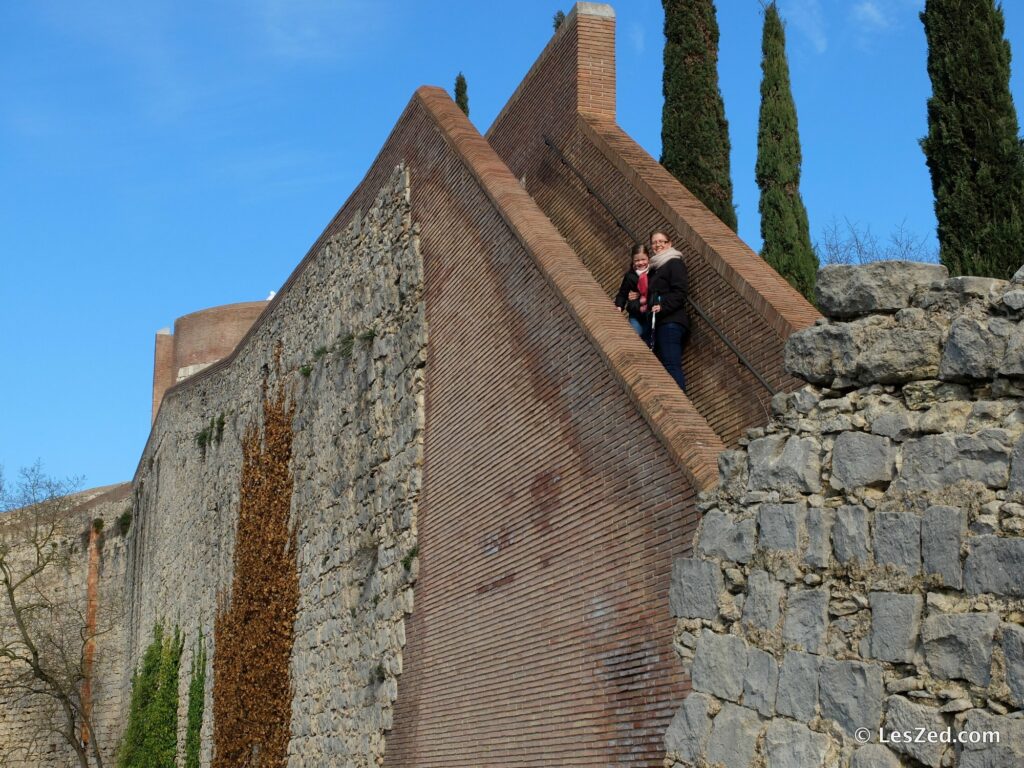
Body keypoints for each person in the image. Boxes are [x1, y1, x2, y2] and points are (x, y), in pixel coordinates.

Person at [649, 231, 689, 391]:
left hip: (671, 321)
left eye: (662, 241)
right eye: (654, 242)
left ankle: (682, 404)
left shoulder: (674, 263)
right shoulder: (653, 268)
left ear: (669, 243)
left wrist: (663, 306)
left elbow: (680, 292)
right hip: (658, 323)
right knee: (664, 366)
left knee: (671, 364)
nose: (658, 245)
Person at [614, 243, 652, 344]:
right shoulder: (630, 276)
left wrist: (640, 294)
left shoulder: (654, 272)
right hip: (635, 313)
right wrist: (619, 306)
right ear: (632, 261)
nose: (640, 263)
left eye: (643, 259)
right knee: (636, 338)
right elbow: (622, 293)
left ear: (648, 258)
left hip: (651, 313)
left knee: (649, 342)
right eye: (637, 260)